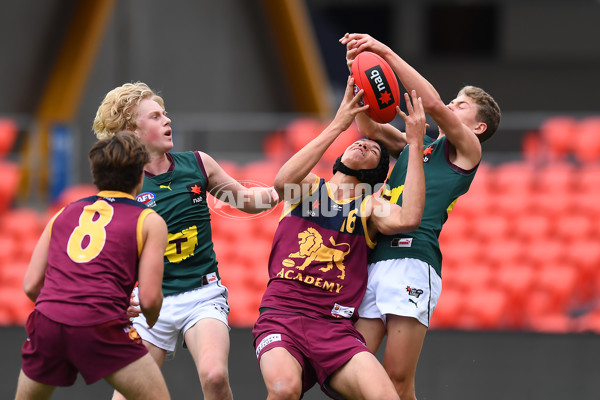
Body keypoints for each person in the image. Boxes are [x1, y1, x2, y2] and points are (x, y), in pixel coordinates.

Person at [339, 33, 502, 399]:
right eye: (452, 101)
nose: (448, 105)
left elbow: (428, 101)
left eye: (459, 105)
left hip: (413, 259)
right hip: (377, 258)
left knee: (396, 377)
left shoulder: (466, 149)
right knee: (352, 369)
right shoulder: (421, 144)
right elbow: (368, 127)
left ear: (477, 127)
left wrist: (381, 52)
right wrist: (362, 75)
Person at [93, 82, 278, 400]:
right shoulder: (125, 185)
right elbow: (107, 253)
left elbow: (249, 200)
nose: (167, 120)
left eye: (165, 114)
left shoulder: (198, 164)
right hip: (151, 302)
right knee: (126, 395)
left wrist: (288, 190)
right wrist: (116, 297)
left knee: (215, 376)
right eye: (155, 116)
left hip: (202, 294)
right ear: (132, 132)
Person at [252, 75, 426, 399]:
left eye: (373, 148)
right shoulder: (307, 189)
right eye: (359, 141)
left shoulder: (370, 206)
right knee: (283, 388)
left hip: (335, 328)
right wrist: (338, 123)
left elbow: (410, 217)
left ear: (375, 173)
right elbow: (281, 181)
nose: (363, 142)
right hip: (282, 315)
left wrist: (415, 145)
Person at [14, 131, 170, 400]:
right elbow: (150, 298)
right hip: (100, 324)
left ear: (95, 174)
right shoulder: (149, 220)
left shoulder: (63, 213)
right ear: (140, 175)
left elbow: (31, 285)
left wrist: (65, 308)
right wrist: (152, 325)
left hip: (47, 322)